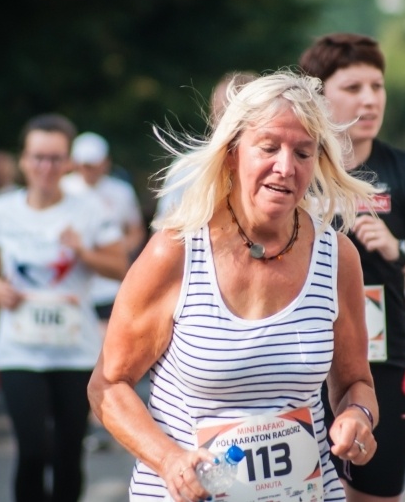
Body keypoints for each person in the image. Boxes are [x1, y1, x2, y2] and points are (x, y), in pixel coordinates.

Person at [88, 71, 380, 502]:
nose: (286, 166)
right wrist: (169, 460)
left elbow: (356, 382)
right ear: (231, 154)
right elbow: (108, 385)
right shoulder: (176, 252)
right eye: (269, 147)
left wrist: (358, 417)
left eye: (303, 152)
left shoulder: (338, 257)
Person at [298, 33, 405, 502]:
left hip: (382, 374)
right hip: (302, 369)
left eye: (378, 86)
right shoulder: (294, 167)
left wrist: (400, 252)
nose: (370, 100)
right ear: (318, 95)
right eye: (353, 88)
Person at [0, 113, 129, 502]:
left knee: (66, 454)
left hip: (73, 352)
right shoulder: (3, 209)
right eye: (38, 157)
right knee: (32, 451)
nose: (46, 166)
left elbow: (120, 266)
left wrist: (83, 251)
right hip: (19, 349)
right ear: (23, 160)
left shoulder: (88, 210)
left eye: (55, 158)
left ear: (68, 163)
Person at [154, 71, 258, 222]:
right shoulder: (188, 168)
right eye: (219, 111)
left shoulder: (274, 169)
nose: (220, 120)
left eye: (226, 111)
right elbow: (164, 229)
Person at [61, 131, 146, 317]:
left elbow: (135, 229)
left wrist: (119, 248)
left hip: (110, 286)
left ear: (105, 163)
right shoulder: (63, 188)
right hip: (73, 284)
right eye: (84, 165)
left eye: (92, 165)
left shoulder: (121, 191)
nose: (88, 170)